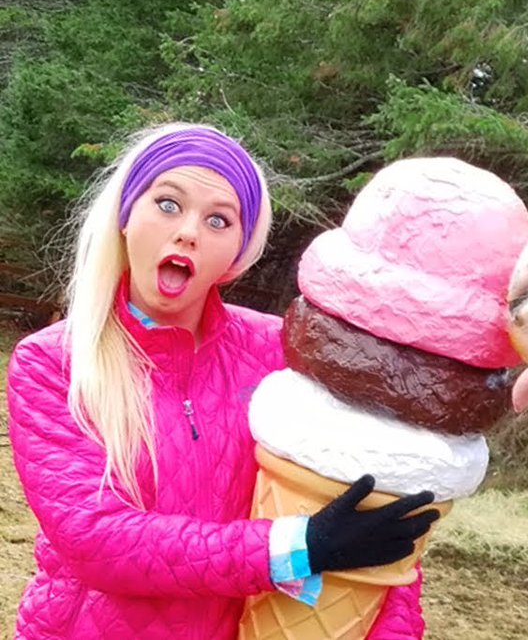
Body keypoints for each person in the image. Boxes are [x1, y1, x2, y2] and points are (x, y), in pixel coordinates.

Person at [4, 123, 439, 639]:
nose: (188, 231)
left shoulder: (279, 351)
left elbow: (376, 525)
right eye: (168, 204)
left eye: (218, 219)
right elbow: (96, 540)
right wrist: (299, 547)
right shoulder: (53, 363)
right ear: (126, 215)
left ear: (237, 252)